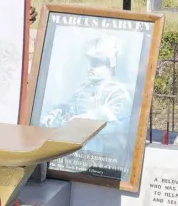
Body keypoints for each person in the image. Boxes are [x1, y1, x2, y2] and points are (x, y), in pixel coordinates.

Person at [41, 35, 133, 165]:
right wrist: (54, 113)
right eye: (91, 63)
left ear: (110, 66)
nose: (91, 68)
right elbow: (68, 107)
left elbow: (116, 117)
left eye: (97, 64)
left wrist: (85, 118)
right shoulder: (82, 89)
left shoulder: (116, 91)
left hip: (100, 153)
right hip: (74, 148)